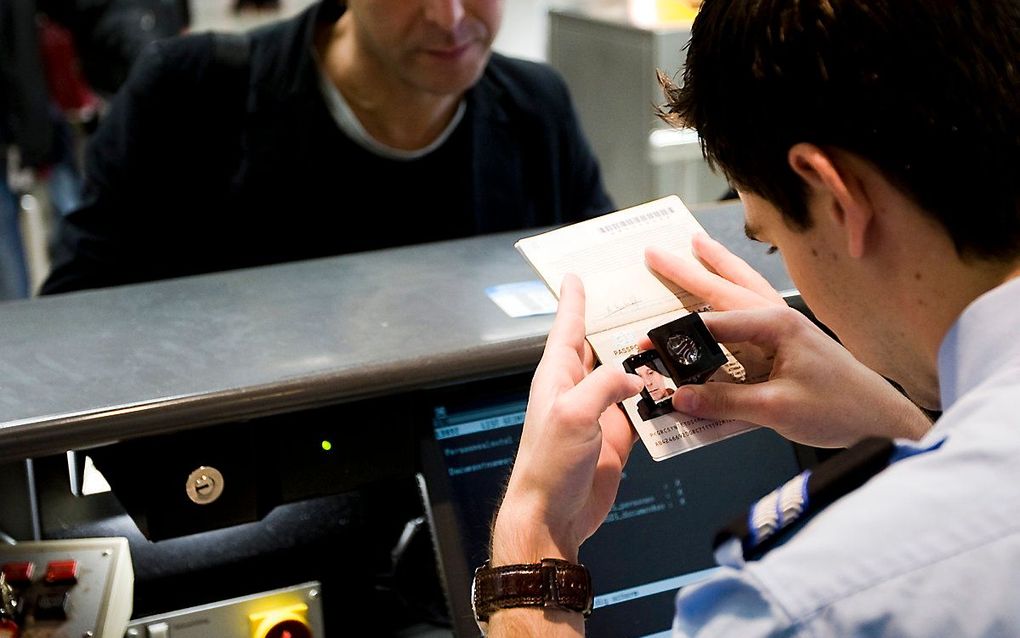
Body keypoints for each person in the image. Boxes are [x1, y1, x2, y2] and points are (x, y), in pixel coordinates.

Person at [483, 0, 1019, 635]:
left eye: (770, 241)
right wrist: (898, 427)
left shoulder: (816, 600)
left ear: (833, 194)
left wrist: (532, 537)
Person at [40, 0, 612, 294]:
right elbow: (82, 313)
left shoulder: (537, 107)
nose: (450, 18)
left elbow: (611, 294)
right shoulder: (192, 94)